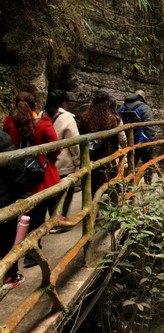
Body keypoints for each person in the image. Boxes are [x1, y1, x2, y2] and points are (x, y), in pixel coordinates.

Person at [3, 91, 61, 268]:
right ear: (35, 105)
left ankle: (14, 252)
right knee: (37, 215)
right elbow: (56, 147)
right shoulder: (43, 124)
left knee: (17, 213)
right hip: (38, 176)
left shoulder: (9, 124)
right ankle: (31, 253)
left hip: (14, 176)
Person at [39, 90, 80, 233]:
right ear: (63, 103)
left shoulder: (41, 115)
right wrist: (78, 162)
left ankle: (51, 221)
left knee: (50, 193)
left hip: (45, 162)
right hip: (63, 163)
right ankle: (59, 222)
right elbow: (74, 143)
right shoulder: (67, 118)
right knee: (65, 192)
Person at [0, 131, 32, 288]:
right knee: (6, 238)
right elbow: (15, 172)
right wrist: (25, 197)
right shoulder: (2, 138)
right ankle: (9, 275)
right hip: (3, 199)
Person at [78, 90, 119, 196]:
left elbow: (80, 136)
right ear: (107, 103)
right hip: (106, 156)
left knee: (91, 186)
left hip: (89, 156)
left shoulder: (84, 117)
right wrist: (116, 152)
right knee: (107, 185)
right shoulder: (111, 119)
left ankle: (92, 210)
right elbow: (115, 139)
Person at [119, 89, 155, 184]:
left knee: (131, 163)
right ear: (143, 97)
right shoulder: (144, 107)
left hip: (128, 142)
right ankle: (148, 183)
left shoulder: (122, 107)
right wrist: (151, 141)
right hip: (142, 141)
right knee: (147, 162)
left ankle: (127, 184)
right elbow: (149, 125)